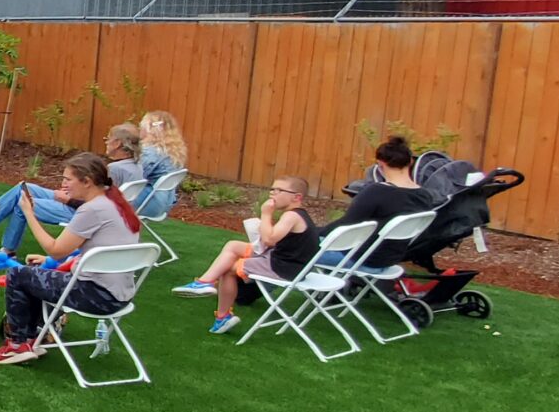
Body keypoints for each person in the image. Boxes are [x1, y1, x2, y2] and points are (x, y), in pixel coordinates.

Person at [0, 153, 145, 365]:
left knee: (17, 274)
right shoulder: (117, 204)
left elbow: (57, 251)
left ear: (87, 182)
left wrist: (28, 213)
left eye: (68, 179)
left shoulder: (92, 210)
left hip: (95, 296)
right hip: (119, 295)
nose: (63, 184)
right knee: (37, 273)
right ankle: (33, 335)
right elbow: (93, 252)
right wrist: (48, 260)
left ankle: (18, 345)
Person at [177, 176, 322, 334]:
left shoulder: (291, 216)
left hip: (283, 268)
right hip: (285, 261)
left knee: (228, 270)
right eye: (272, 189)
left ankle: (222, 317)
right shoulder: (297, 215)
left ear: (297, 197)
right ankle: (205, 282)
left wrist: (266, 214)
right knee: (233, 246)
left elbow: (269, 239)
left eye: (279, 190)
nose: (273, 193)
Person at [333, 135, 435, 270]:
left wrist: (311, 233)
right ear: (411, 162)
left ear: (380, 164)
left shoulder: (377, 192)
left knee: (299, 245)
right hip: (388, 260)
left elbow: (346, 225)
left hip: (358, 258)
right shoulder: (425, 196)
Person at [135, 110, 188, 217]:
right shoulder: (173, 153)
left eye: (142, 125)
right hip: (165, 203)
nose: (140, 129)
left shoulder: (150, 152)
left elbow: (135, 176)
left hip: (149, 203)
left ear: (150, 129)